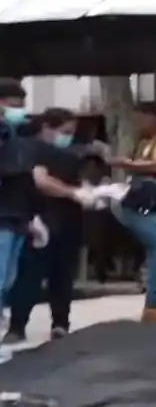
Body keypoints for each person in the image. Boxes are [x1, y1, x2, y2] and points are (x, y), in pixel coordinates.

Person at [5, 108, 92, 342]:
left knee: (63, 275)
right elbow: (41, 181)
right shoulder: (34, 149)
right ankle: (17, 326)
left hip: (69, 219)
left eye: (71, 132)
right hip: (43, 217)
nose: (68, 137)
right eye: (65, 131)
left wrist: (89, 193)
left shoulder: (69, 154)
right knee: (30, 275)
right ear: (47, 128)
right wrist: (73, 193)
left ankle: (60, 323)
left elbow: (78, 179)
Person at [109, 102, 156, 322]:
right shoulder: (142, 142)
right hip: (137, 201)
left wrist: (127, 164)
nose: (138, 125)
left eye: (140, 119)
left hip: (153, 200)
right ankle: (154, 302)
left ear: (153, 117)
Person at [0, 82, 43, 312]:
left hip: (17, 212)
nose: (19, 110)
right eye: (13, 105)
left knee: (8, 276)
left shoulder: (19, 134)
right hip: (4, 213)